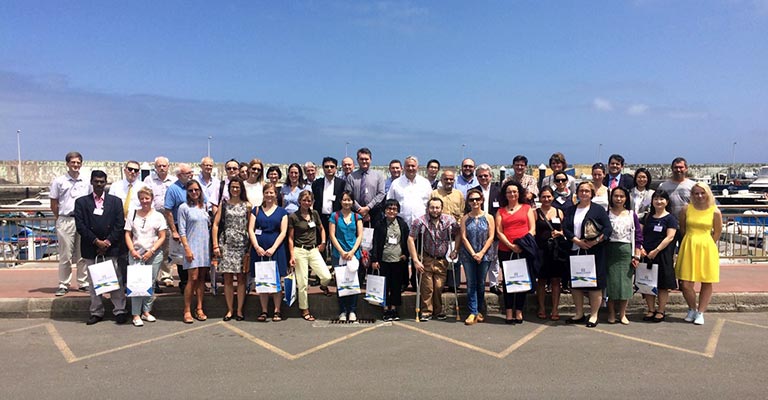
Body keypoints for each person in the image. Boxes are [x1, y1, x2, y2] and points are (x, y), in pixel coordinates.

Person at [74, 170, 127, 325]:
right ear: (91, 182)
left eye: (102, 181)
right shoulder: (81, 202)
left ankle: (120, 310)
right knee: (93, 282)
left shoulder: (115, 201)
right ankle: (96, 311)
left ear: (106, 183)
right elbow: (80, 226)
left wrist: (107, 242)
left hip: (111, 247)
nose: (99, 184)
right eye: (96, 181)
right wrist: (96, 241)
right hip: (91, 248)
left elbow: (119, 224)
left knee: (116, 279)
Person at [563, 181, 613, 328]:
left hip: (594, 251)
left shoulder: (598, 210)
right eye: (581, 191)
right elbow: (566, 228)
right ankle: (579, 313)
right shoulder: (571, 210)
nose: (584, 193)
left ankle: (594, 314)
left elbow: (607, 229)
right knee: (576, 283)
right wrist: (576, 241)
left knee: (594, 284)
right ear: (577, 193)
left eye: (587, 191)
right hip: (575, 249)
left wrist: (595, 241)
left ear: (592, 193)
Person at [675, 182, 722, 325]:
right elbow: (682, 229)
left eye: (702, 192)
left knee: (706, 281)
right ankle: (692, 308)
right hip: (689, 245)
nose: (700, 196)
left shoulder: (715, 211)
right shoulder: (686, 209)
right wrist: (691, 241)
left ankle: (701, 312)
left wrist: (706, 244)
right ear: (692, 195)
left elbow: (717, 232)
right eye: (696, 193)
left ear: (707, 193)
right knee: (685, 283)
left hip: (706, 246)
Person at [408, 197, 459, 321]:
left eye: (437, 207)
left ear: (441, 208)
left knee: (438, 286)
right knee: (427, 287)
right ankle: (426, 311)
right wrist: (415, 259)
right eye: (432, 207)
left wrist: (455, 249)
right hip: (427, 258)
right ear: (428, 208)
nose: (435, 210)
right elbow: (410, 239)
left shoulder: (449, 220)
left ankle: (438, 310)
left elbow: (458, 233)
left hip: (442, 260)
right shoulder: (420, 221)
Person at [387, 156, 432, 291]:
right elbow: (390, 202)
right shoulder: (396, 183)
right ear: (404, 167)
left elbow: (430, 203)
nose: (411, 168)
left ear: (417, 167)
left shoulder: (425, 183)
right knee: (402, 255)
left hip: (421, 226)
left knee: (419, 255)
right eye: (408, 166)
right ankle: (403, 282)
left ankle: (416, 282)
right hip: (401, 225)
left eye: (413, 166)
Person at [124, 187, 167, 327]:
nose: (144, 201)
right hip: (136, 254)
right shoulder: (133, 214)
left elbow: (162, 236)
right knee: (136, 284)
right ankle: (135, 314)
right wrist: (132, 250)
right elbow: (127, 234)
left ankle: (146, 311)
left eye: (147, 198)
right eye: (142, 198)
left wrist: (152, 250)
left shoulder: (158, 216)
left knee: (150, 283)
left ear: (152, 199)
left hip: (153, 254)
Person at [50, 151, 91, 296]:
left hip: (82, 221)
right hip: (65, 219)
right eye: (73, 162)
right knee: (65, 255)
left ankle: (83, 282)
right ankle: (63, 283)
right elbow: (54, 202)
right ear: (67, 164)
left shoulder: (86, 181)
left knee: (82, 255)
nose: (76, 165)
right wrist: (59, 217)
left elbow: (90, 201)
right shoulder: (59, 181)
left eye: (78, 162)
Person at [288, 190, 333, 321]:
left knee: (326, 276)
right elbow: (290, 238)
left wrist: (323, 242)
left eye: (309, 200)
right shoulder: (293, 216)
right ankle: (305, 309)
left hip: (313, 250)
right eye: (304, 200)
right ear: (299, 201)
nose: (306, 203)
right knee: (302, 283)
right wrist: (291, 255)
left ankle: (323, 286)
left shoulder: (314, 214)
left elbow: (322, 229)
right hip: (299, 250)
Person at [495, 181, 535, 324]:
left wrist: (522, 244)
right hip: (506, 250)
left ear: (519, 193)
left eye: (515, 191)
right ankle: (509, 311)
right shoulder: (500, 211)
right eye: (509, 192)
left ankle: (519, 310)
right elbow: (499, 231)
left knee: (521, 280)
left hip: (523, 249)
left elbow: (532, 229)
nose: (512, 194)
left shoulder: (526, 208)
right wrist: (511, 245)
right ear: (505, 194)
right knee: (508, 281)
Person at [212, 178, 251, 322]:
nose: (235, 189)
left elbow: (250, 227)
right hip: (226, 243)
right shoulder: (224, 204)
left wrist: (250, 247)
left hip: (242, 243)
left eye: (237, 187)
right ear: (229, 189)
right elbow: (215, 225)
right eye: (233, 187)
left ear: (241, 188)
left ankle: (239, 310)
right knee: (227, 278)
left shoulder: (247, 205)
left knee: (241, 278)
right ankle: (230, 309)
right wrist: (215, 245)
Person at [249, 183, 289, 322]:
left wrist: (273, 248)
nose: (269, 195)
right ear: (263, 194)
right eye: (267, 192)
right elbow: (251, 230)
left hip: (276, 249)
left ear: (276, 194)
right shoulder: (256, 210)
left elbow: (283, 232)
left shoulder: (282, 212)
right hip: (259, 250)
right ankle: (264, 310)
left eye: (272, 193)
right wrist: (256, 247)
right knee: (262, 281)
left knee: (276, 281)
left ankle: (277, 310)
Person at [605, 187, 642, 325]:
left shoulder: (631, 214)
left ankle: (623, 314)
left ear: (626, 198)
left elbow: (638, 236)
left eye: (622, 196)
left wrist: (636, 255)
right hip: (610, 250)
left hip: (626, 250)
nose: (619, 199)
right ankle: (611, 313)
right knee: (611, 283)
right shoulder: (607, 213)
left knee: (625, 284)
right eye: (616, 196)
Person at [639, 191, 678, 322]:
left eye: (662, 199)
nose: (658, 201)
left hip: (662, 255)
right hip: (647, 254)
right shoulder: (647, 217)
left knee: (662, 285)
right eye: (656, 199)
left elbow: (670, 236)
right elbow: (640, 234)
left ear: (667, 202)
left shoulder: (670, 218)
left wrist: (656, 250)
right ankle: (650, 309)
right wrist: (642, 248)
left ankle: (661, 310)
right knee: (648, 283)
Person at [458, 189, 495, 325]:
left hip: (485, 255)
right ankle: (472, 311)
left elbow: (491, 236)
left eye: (477, 199)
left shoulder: (489, 217)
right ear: (468, 202)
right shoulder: (465, 218)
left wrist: (481, 253)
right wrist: (473, 253)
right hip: (468, 255)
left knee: (480, 283)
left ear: (481, 200)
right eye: (472, 200)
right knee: (471, 283)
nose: (475, 202)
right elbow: (463, 237)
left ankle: (479, 310)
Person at [108, 160, 148, 285]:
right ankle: (122, 283)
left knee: (137, 254)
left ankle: (137, 283)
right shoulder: (115, 186)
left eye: (136, 170)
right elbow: (110, 207)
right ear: (125, 170)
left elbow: (146, 206)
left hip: (136, 227)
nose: (133, 172)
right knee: (120, 257)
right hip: (119, 226)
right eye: (130, 169)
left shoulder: (143, 187)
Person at [370, 199, 410, 321]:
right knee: (385, 286)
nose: (391, 211)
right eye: (389, 208)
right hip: (384, 260)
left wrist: (405, 254)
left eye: (394, 209)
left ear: (398, 211)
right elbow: (375, 242)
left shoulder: (402, 224)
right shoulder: (380, 224)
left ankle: (393, 309)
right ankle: (386, 309)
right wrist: (374, 260)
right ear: (385, 210)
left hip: (398, 260)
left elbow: (407, 241)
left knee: (396, 286)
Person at [178, 179, 211, 324]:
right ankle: (186, 310)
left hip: (204, 247)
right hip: (191, 246)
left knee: (202, 279)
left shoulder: (204, 206)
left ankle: (199, 308)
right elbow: (182, 231)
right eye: (190, 190)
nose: (194, 193)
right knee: (192, 278)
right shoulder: (184, 208)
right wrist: (187, 248)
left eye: (196, 190)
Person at [329, 191, 364, 322]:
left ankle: (353, 310)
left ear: (353, 202)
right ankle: (343, 310)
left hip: (354, 254)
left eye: (349, 200)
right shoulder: (335, 216)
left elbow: (360, 235)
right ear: (340, 201)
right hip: (339, 254)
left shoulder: (357, 217)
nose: (346, 202)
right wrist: (342, 251)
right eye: (344, 200)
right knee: (341, 283)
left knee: (354, 283)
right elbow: (332, 236)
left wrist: (352, 251)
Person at [466, 164, 501, 294]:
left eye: (486, 175)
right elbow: (467, 209)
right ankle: (478, 282)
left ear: (491, 176)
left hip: (494, 229)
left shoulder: (498, 191)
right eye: (480, 176)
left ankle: (493, 283)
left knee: (493, 258)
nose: (483, 178)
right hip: (477, 229)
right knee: (478, 256)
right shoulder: (472, 191)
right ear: (477, 177)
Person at [534, 186, 567, 321]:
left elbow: (566, 230)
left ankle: (555, 309)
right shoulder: (535, 212)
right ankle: (541, 307)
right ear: (539, 198)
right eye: (543, 197)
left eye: (549, 196)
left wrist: (560, 233)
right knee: (541, 280)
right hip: (541, 250)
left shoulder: (559, 212)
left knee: (555, 280)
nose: (546, 199)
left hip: (555, 250)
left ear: (553, 197)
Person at [143, 156, 175, 288]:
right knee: (153, 246)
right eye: (159, 166)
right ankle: (153, 277)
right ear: (155, 167)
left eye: (164, 166)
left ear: (168, 167)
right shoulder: (148, 180)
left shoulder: (174, 180)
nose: (162, 168)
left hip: (168, 216)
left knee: (167, 247)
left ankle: (167, 275)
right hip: (153, 216)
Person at [164, 163, 195, 293]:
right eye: (188, 173)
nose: (191, 175)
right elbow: (168, 210)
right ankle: (184, 283)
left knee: (193, 255)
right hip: (179, 226)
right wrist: (174, 231)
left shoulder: (194, 187)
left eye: (191, 172)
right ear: (179, 175)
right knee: (181, 257)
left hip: (193, 225)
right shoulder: (173, 189)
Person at [346, 147, 386, 226]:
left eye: (366, 159)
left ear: (370, 159)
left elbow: (381, 193)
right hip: (355, 213)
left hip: (374, 213)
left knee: (374, 237)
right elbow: (348, 195)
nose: (364, 161)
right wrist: (359, 209)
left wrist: (368, 207)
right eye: (361, 159)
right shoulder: (351, 177)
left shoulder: (378, 176)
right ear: (357, 160)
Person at [312, 157, 346, 237]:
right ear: (323, 168)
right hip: (321, 218)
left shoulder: (342, 184)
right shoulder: (317, 183)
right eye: (326, 166)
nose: (329, 169)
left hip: (336, 218)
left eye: (332, 166)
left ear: (336, 168)